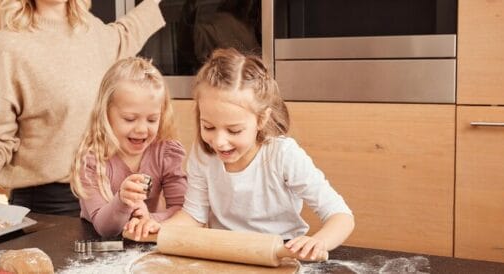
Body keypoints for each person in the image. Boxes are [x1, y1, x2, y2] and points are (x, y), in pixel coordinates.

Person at [126, 48, 355, 261]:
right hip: (224, 255)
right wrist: (162, 228)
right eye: (208, 127)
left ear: (261, 119)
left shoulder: (283, 155)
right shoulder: (204, 155)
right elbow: (194, 216)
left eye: (234, 130)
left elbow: (341, 215)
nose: (219, 141)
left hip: (282, 255)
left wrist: (317, 242)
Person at [0, 0, 166, 217]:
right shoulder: (8, 46)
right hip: (48, 207)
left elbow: (124, 34)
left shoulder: (92, 31)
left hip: (104, 196)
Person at [70, 57, 187, 237]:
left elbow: (182, 211)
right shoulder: (92, 159)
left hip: (143, 243)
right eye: (130, 119)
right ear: (105, 113)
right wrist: (122, 202)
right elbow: (104, 228)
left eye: (152, 119)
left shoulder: (165, 152)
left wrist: (151, 219)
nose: (141, 129)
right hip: (96, 245)